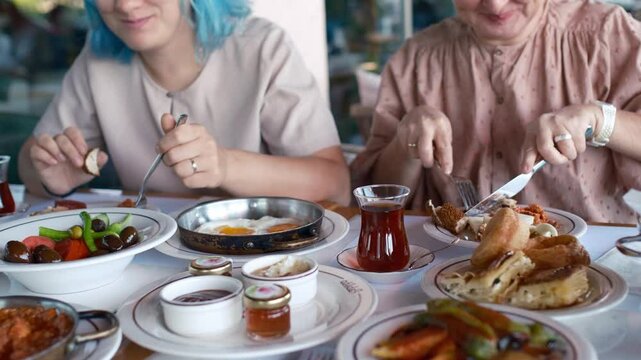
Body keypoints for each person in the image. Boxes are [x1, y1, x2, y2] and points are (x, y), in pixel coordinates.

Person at [18, 0, 350, 205]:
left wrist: (224, 165)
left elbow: (335, 185)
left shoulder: (262, 47)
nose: (127, 4)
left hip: (262, 258)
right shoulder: (97, 58)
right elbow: (29, 166)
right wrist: (47, 176)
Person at [351, 0, 641, 223]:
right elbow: (379, 199)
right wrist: (406, 144)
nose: (495, 4)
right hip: (450, 263)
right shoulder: (415, 59)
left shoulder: (605, 34)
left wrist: (600, 120)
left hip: (593, 257)